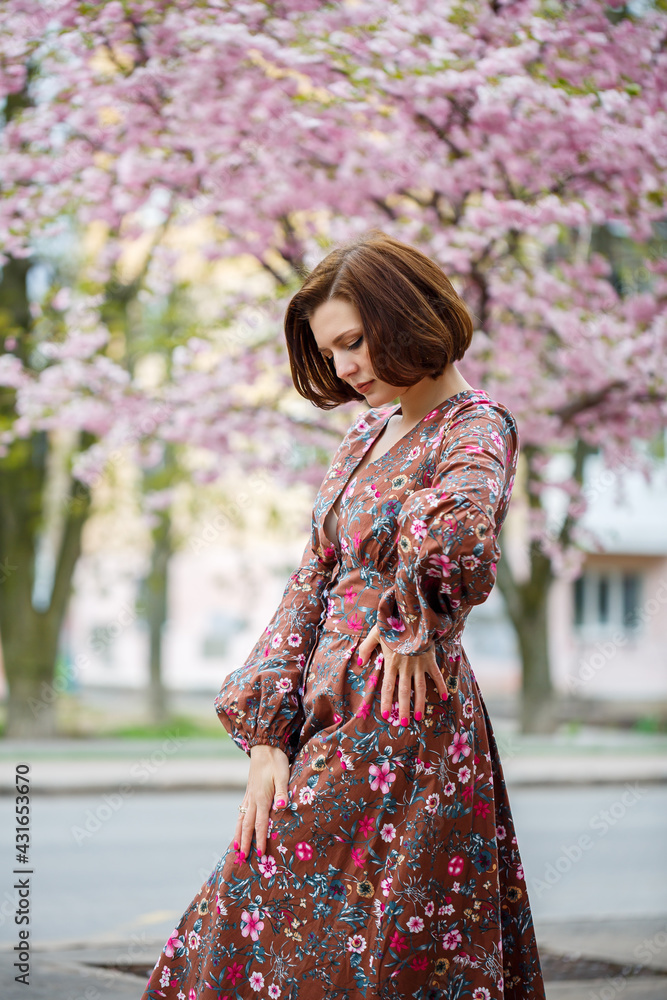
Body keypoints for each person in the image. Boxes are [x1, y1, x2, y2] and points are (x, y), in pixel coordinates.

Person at [141, 230, 546, 1000]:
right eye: (332, 353)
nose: (345, 368)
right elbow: (312, 577)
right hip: (326, 709)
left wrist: (410, 613)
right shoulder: (364, 434)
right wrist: (268, 733)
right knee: (269, 922)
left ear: (406, 317)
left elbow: (460, 528)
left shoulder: (474, 425)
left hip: (398, 712)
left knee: (339, 933)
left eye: (354, 343)